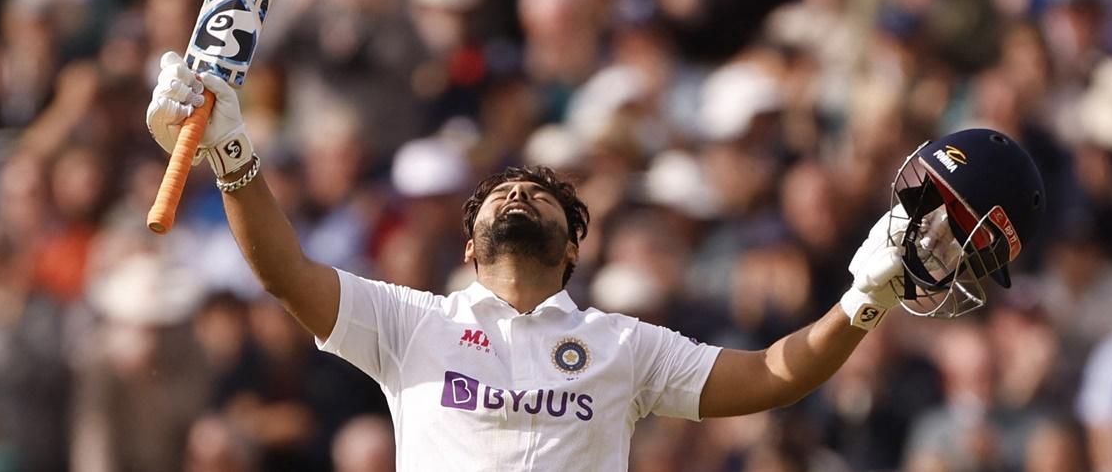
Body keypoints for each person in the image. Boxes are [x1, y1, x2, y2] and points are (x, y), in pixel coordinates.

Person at [145, 51, 1041, 470]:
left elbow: (771, 375)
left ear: (575, 246)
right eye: (502, 191)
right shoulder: (412, 324)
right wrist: (231, 151)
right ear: (468, 245)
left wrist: (866, 300)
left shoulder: (623, 345)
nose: (519, 193)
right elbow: (281, 269)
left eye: (542, 193)